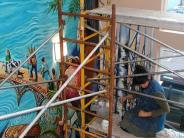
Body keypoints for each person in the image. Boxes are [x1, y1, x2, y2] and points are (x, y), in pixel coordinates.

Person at [120, 65, 170, 137]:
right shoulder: (145, 83)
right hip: (145, 108)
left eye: (143, 84)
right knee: (127, 115)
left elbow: (166, 109)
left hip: (154, 120)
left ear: (149, 77)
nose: (142, 86)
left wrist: (146, 114)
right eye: (140, 84)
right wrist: (126, 97)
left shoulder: (157, 92)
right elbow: (138, 94)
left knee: (130, 123)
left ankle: (149, 134)